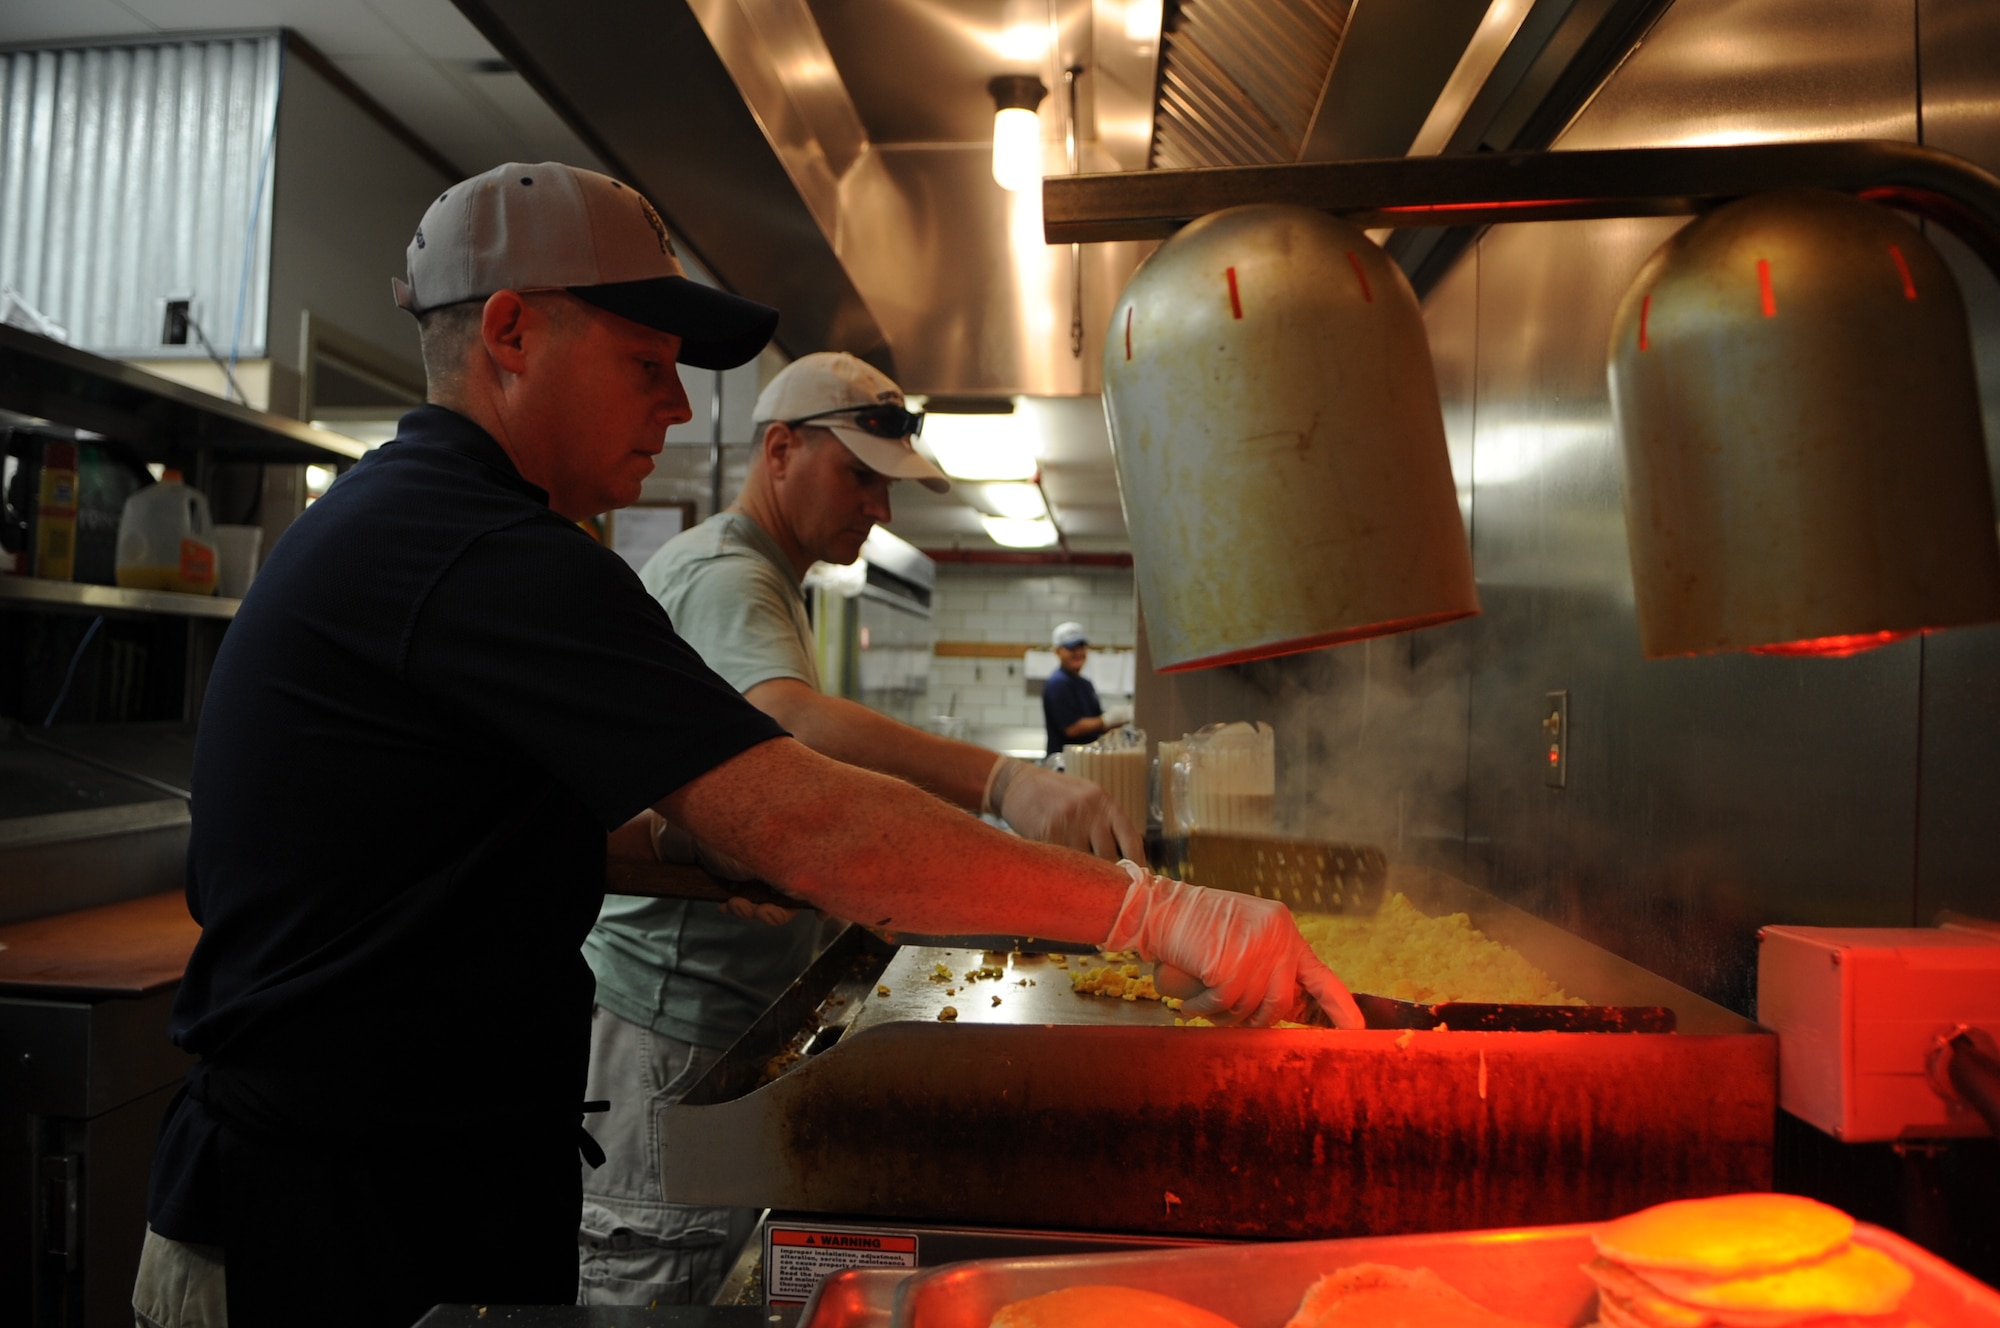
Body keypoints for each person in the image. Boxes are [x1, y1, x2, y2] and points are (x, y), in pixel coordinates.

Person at [132, 161, 1361, 1328]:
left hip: (400, 1184)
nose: (675, 406)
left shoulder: (441, 525)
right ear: (508, 333)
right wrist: (1156, 915)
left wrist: (709, 851)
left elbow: (462, 832)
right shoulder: (486, 552)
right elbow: (804, 806)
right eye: (645, 361)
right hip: (329, 1223)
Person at [580, 352, 1144, 1304]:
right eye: (859, 475)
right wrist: (1005, 784)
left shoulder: (763, 576)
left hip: (711, 1018)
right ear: (779, 450)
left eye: (889, 485)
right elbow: (789, 724)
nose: (880, 508)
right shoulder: (728, 577)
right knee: (656, 1285)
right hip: (671, 1031)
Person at [1044, 621, 1130, 756]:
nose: (1078, 653)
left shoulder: (1085, 684)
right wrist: (1107, 719)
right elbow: (1072, 728)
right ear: (1057, 651)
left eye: (1081, 647)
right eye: (1071, 648)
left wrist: (1123, 717)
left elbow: (1098, 727)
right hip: (1065, 764)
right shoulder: (1058, 683)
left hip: (1084, 761)